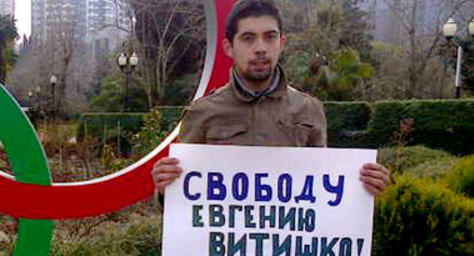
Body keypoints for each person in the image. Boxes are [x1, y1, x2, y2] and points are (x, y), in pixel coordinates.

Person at [151, 0, 390, 195]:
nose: (260, 48)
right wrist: (165, 188)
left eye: (269, 37)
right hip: (224, 249)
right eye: (248, 38)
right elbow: (182, 204)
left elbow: (323, 191)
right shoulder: (201, 113)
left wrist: (363, 186)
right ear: (228, 47)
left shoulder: (309, 109)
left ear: (281, 42)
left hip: (287, 250)